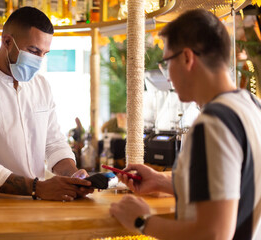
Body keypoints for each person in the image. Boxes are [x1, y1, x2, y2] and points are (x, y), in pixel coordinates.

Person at [110, 9, 261, 239]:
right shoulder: (253, 106)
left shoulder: (213, 124)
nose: (167, 75)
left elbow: (214, 234)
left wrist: (142, 221)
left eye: (166, 61)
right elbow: (234, 188)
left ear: (187, 58)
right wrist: (160, 181)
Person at [0, 7, 93, 201]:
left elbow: (54, 144)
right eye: (33, 51)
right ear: (6, 41)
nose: (39, 60)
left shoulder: (41, 86)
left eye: (44, 53)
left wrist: (73, 176)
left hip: (38, 204)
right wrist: (37, 188)